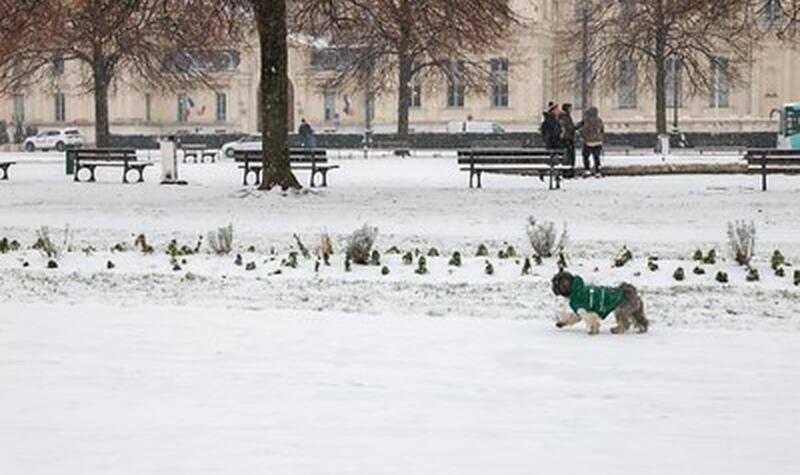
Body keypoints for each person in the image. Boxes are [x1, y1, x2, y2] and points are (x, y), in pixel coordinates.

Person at [576, 106, 604, 177]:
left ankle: (587, 170)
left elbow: (584, 130)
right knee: (596, 157)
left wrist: (581, 134)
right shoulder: (599, 120)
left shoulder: (587, 120)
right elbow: (602, 130)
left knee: (586, 156)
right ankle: (597, 171)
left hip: (588, 142)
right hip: (598, 142)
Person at [559, 103, 576, 178]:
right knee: (569, 157)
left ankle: (568, 173)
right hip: (567, 139)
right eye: (570, 108)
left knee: (569, 157)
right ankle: (568, 173)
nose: (571, 109)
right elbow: (569, 128)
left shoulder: (565, 117)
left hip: (567, 139)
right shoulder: (565, 117)